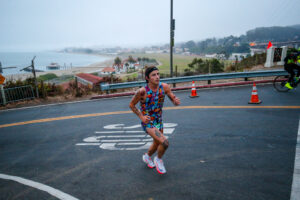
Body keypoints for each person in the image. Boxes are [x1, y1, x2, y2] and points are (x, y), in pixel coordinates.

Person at [129, 66, 180, 174]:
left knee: (157, 143)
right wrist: (141, 117)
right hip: (148, 122)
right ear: (147, 78)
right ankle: (158, 159)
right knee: (165, 143)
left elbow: (172, 97)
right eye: (153, 75)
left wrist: (175, 101)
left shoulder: (164, 87)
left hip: (158, 120)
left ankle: (147, 156)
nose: (157, 77)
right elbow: (131, 105)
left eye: (158, 74)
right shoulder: (142, 92)